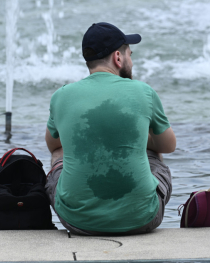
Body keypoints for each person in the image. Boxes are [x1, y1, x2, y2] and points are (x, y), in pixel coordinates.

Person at [44, 22, 176, 235]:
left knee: (60, 153)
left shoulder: (61, 95)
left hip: (76, 220)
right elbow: (168, 145)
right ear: (118, 57)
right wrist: (138, 138)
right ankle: (132, 204)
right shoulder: (144, 91)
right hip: (144, 218)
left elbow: (53, 144)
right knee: (153, 149)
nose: (131, 61)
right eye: (130, 55)